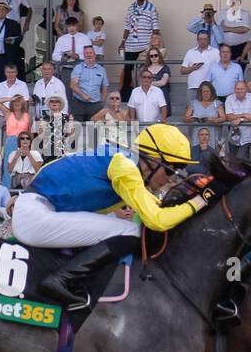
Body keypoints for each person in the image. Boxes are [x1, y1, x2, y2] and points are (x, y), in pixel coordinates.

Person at [12, 124, 211, 307]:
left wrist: (191, 198)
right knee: (130, 230)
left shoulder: (124, 161)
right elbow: (156, 220)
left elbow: (157, 208)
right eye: (171, 170)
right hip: (36, 215)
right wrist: (202, 200)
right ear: (154, 161)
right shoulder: (124, 167)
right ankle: (62, 279)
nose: (172, 178)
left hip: (40, 209)